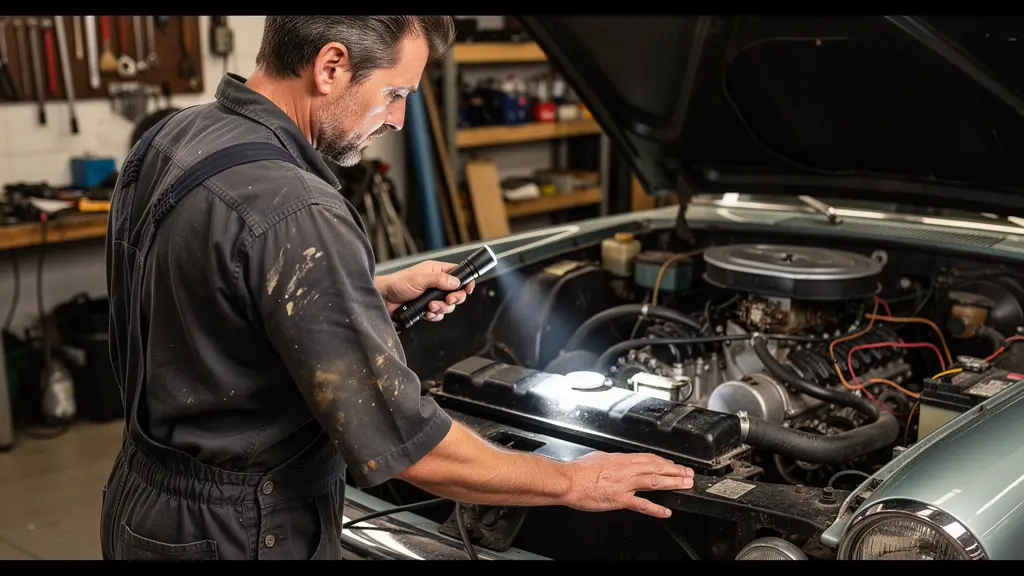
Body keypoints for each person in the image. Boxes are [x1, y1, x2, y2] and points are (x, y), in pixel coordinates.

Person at [99, 16, 694, 561]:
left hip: (144, 501)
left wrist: (358, 292)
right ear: (330, 67)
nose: (398, 119)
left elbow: (193, 295)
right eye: (396, 93)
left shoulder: (172, 139)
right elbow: (412, 448)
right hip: (241, 533)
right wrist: (577, 479)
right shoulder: (299, 209)